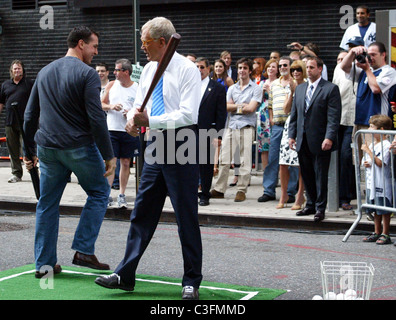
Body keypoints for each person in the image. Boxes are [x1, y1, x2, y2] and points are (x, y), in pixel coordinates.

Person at [94, 17, 203, 300]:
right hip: (155, 143)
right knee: (142, 211)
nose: (142, 47)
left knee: (185, 216)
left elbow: (189, 114)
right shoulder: (150, 69)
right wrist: (132, 120)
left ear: (163, 42)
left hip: (183, 142)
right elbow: (138, 105)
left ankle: (191, 280)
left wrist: (149, 120)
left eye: (146, 41)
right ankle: (125, 274)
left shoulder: (187, 69)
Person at [23, 26, 117, 278]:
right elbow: (96, 118)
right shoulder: (87, 74)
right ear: (80, 44)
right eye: (94, 46)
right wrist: (109, 155)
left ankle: (44, 265)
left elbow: (30, 115)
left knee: (47, 203)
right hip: (78, 146)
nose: (96, 52)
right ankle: (84, 249)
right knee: (99, 192)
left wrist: (28, 150)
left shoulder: (44, 72)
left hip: (47, 148)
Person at [288, 56, 341, 222]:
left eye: (311, 67)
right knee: (307, 174)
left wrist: (329, 137)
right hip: (302, 139)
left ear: (320, 69)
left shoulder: (330, 89)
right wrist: (291, 135)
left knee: (320, 175)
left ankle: (320, 207)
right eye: (307, 67)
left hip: (320, 139)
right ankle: (310, 204)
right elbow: (295, 115)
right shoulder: (301, 88)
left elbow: (333, 117)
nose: (308, 70)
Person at [210, 58, 262, 202]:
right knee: (224, 159)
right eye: (239, 68)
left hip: (246, 126)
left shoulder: (255, 88)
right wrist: (241, 106)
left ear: (249, 70)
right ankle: (220, 189)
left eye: (245, 68)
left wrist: (235, 106)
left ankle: (241, 190)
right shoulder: (232, 88)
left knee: (245, 159)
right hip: (231, 126)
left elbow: (251, 108)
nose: (241, 71)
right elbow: (226, 107)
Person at [339, 41, 396, 161]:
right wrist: (352, 52)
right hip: (360, 122)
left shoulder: (389, 71)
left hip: (377, 125)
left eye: (374, 54)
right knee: (360, 163)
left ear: (383, 55)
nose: (370, 58)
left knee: (374, 161)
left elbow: (376, 88)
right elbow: (344, 67)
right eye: (368, 54)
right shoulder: (363, 70)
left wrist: (367, 69)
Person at [258, 56, 299, 203]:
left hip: (292, 126)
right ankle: (268, 190)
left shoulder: (297, 83)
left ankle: (290, 192)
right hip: (276, 125)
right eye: (280, 66)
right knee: (272, 159)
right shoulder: (274, 84)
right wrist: (271, 118)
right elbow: (270, 103)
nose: (282, 68)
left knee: (292, 161)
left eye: (285, 65)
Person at [101, 58, 140, 208]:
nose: (115, 73)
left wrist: (131, 113)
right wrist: (112, 106)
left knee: (125, 163)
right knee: (111, 162)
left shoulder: (137, 87)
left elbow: (141, 108)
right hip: (112, 129)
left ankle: (122, 195)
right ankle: (107, 195)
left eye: (118, 70)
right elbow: (102, 104)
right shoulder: (112, 85)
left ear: (126, 72)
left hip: (128, 129)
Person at [332, 41, 361, 211]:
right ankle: (338, 194)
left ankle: (346, 195)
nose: (343, 60)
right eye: (339, 58)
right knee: (337, 158)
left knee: (346, 157)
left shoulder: (360, 69)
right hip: (338, 119)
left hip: (353, 120)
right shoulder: (340, 69)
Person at [195, 57, 227, 206]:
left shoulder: (217, 88)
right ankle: (191, 191)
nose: (199, 70)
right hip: (189, 129)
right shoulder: (188, 86)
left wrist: (218, 134)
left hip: (207, 130)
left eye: (202, 67)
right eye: (197, 67)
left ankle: (205, 193)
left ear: (209, 69)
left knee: (206, 164)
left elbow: (221, 114)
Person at [278, 60, 307, 210]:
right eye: (293, 70)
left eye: (299, 69)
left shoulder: (308, 85)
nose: (295, 72)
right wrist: (292, 92)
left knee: (301, 163)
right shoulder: (292, 86)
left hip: (304, 124)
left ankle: (300, 195)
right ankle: (283, 195)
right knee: (283, 162)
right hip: (290, 124)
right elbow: (286, 109)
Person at [0, 60, 34, 183]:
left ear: (23, 70)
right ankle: (16, 173)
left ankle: (33, 171)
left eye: (19, 68)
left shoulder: (29, 84)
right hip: (10, 121)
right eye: (15, 69)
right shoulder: (5, 85)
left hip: (25, 121)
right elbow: (1, 103)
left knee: (27, 148)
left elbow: (35, 101)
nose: (17, 71)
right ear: (11, 71)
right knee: (12, 149)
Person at [362, 115, 392, 244]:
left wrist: (368, 151)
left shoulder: (386, 144)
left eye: (372, 127)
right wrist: (366, 162)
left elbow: (381, 162)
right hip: (371, 182)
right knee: (374, 208)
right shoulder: (374, 143)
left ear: (381, 129)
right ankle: (376, 231)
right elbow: (368, 160)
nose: (369, 129)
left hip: (382, 182)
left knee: (384, 209)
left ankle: (385, 233)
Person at [257, 59, 279, 173]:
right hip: (263, 117)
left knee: (275, 146)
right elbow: (258, 101)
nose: (270, 69)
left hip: (275, 114)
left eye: (273, 67)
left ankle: (277, 174)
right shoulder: (262, 82)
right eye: (269, 66)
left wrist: (270, 91)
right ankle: (266, 174)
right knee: (264, 147)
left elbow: (278, 100)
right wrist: (261, 91)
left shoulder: (279, 82)